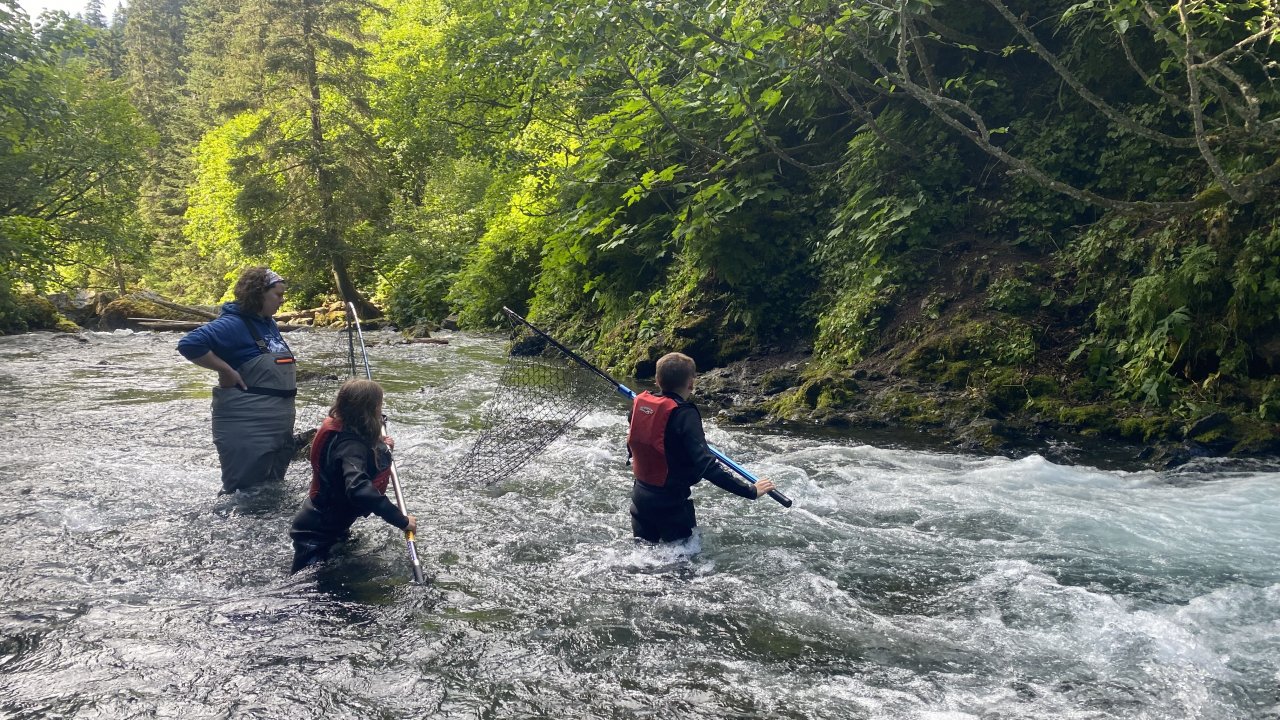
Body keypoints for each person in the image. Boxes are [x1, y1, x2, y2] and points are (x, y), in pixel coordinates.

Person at [626, 352, 778, 544]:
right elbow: (706, 466)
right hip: (671, 506)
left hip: (640, 500)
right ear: (691, 383)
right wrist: (750, 491)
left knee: (645, 559)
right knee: (683, 568)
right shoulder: (685, 414)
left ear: (657, 380)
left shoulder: (639, 406)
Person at [177, 267, 297, 493]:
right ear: (259, 293)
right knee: (244, 494)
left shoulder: (267, 323)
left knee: (270, 491)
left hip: (277, 426)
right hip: (248, 426)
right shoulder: (233, 324)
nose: (282, 301)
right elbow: (189, 344)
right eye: (278, 295)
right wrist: (225, 370)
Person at [289, 378, 416, 573]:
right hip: (315, 536)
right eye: (378, 407)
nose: (380, 412)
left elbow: (359, 449)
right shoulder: (350, 447)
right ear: (368, 411)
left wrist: (380, 444)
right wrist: (401, 520)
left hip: (330, 527)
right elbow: (359, 490)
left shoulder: (348, 431)